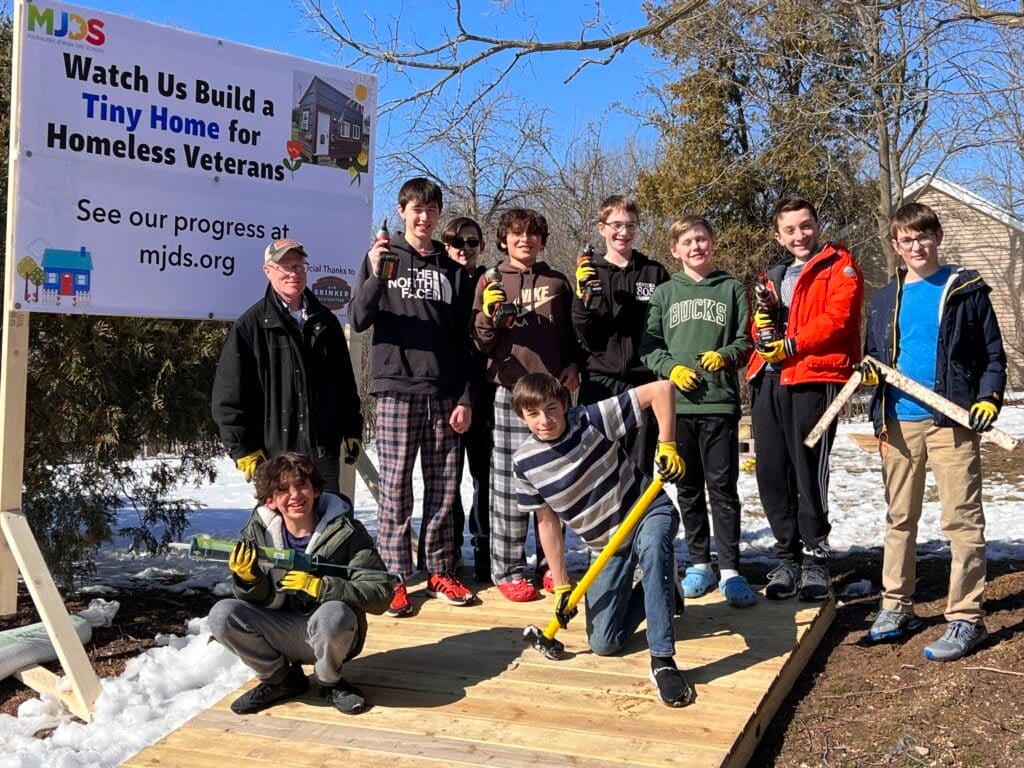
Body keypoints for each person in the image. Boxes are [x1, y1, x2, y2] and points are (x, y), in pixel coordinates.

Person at [862, 202, 1006, 661]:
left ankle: (966, 617)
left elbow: (992, 356)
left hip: (951, 420)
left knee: (961, 520)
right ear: (896, 246)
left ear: (937, 236)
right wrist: (870, 376)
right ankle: (895, 605)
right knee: (899, 518)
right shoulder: (886, 298)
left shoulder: (966, 290)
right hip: (899, 421)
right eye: (906, 239)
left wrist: (987, 397)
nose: (916, 245)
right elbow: (874, 356)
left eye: (923, 236)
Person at [510, 373, 694, 707]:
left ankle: (663, 660)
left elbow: (662, 390)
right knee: (605, 642)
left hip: (646, 510)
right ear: (521, 415)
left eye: (551, 409)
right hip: (605, 545)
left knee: (654, 550)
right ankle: (666, 591)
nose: (544, 420)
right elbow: (547, 523)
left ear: (565, 404)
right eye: (533, 413)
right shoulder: (524, 463)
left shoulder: (589, 421)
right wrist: (563, 585)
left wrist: (667, 445)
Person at [350, 178, 477, 616]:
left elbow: (465, 342)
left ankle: (441, 568)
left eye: (431, 210)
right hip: (397, 390)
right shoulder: (384, 258)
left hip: (443, 393)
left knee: (443, 490)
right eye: (416, 209)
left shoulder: (453, 271)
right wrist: (374, 273)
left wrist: (465, 396)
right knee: (396, 490)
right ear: (402, 211)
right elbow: (360, 318)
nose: (424, 217)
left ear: (439, 215)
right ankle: (395, 576)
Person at [207, 452, 392, 715]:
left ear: (315, 490)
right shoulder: (256, 532)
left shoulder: (347, 530)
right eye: (282, 489)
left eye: (301, 485)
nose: (294, 495)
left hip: (330, 631)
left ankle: (331, 682)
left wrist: (322, 587)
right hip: (279, 630)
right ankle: (280, 680)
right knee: (222, 614)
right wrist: (248, 580)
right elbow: (253, 602)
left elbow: (381, 592)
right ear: (270, 501)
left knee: (335, 614)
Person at [746, 195, 863, 602]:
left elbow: (838, 319)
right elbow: (757, 331)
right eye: (790, 229)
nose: (800, 235)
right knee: (772, 472)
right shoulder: (772, 275)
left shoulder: (840, 266)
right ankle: (787, 557)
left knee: (808, 467)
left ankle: (815, 556)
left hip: (815, 376)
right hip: (770, 380)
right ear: (778, 236)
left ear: (817, 225)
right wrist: (761, 333)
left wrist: (792, 345)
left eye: (806, 225)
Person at [640, 216, 755, 607]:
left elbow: (746, 342)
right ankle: (699, 563)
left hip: (719, 403)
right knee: (687, 489)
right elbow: (650, 347)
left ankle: (731, 570)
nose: (696, 247)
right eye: (687, 242)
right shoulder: (665, 293)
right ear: (675, 249)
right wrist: (671, 368)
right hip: (677, 407)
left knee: (723, 489)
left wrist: (724, 356)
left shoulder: (731, 289)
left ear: (713, 243)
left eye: (702, 239)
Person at [471, 208, 580, 602]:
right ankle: (508, 570)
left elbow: (571, 336)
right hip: (511, 394)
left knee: (554, 483)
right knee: (508, 486)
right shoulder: (490, 279)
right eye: (517, 234)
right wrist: (489, 314)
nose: (525, 241)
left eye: (533, 235)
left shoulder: (557, 282)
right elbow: (480, 341)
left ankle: (551, 564)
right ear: (504, 239)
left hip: (552, 395)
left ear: (542, 240)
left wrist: (572, 367)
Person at [211, 238, 363, 496]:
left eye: (299, 266)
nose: (294, 273)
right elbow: (228, 399)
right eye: (285, 266)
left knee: (328, 531)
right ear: (267, 271)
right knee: (278, 532)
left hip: (322, 456)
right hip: (274, 459)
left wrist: (351, 428)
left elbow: (344, 385)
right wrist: (244, 450)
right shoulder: (250, 328)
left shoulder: (326, 322)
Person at [572, 194, 670, 473]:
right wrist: (584, 302)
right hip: (600, 382)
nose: (623, 232)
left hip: (643, 381)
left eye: (630, 225)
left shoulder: (654, 273)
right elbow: (582, 332)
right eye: (616, 225)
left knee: (638, 469)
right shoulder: (590, 272)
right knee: (596, 467)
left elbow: (667, 328)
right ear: (602, 228)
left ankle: (637, 518)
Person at [441, 216, 496, 583]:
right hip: (445, 392)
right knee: (446, 479)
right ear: (445, 246)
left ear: (482, 246)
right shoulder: (437, 281)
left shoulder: (490, 282)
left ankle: (484, 549)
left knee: (484, 477)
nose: (465, 249)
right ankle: (446, 551)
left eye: (472, 242)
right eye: (457, 242)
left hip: (486, 393)